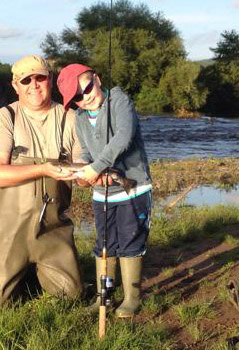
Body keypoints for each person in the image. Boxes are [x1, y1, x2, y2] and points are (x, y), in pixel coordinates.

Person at [0, 55, 83, 310]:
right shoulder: (5, 118)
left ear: (51, 80)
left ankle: (31, 270)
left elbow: (83, 173)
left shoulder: (71, 118)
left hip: (52, 228)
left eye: (40, 78)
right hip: (8, 230)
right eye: (26, 80)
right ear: (16, 85)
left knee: (72, 296)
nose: (33, 85)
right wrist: (45, 169)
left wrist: (96, 177)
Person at [57, 64, 153, 318]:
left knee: (131, 241)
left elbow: (124, 137)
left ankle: (132, 298)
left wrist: (96, 168)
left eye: (87, 88)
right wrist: (83, 177)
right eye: (77, 96)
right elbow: (86, 154)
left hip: (133, 186)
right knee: (105, 243)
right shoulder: (79, 118)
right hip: (102, 192)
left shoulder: (120, 101)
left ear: (97, 80)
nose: (85, 97)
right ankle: (105, 295)